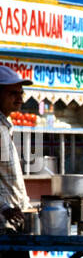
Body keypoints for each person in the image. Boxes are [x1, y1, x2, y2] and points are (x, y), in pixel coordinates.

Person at [0, 65, 31, 230]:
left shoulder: (5, 127)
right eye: (13, 93)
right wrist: (5, 208)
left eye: (21, 93)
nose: (20, 99)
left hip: (13, 223)